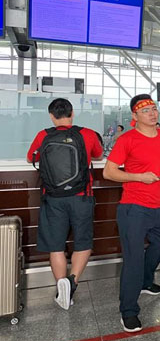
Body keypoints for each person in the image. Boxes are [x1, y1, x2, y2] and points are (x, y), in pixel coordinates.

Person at [103, 94, 160, 333]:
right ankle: (128, 311)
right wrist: (139, 177)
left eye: (154, 108)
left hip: (158, 205)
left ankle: (146, 281)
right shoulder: (127, 139)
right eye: (146, 110)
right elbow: (109, 172)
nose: (152, 113)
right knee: (134, 259)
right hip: (133, 207)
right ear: (135, 115)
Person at [26, 98, 103, 310]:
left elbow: (30, 158)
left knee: (56, 246)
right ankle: (72, 282)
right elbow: (98, 155)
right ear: (72, 113)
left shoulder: (43, 135)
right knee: (83, 243)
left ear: (51, 116)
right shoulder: (87, 134)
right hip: (82, 197)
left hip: (52, 198)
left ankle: (62, 292)